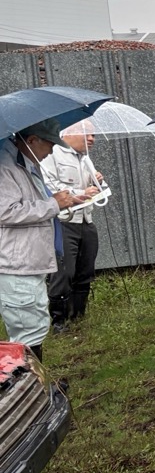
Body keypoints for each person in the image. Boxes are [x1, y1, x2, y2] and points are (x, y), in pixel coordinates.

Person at [0, 121, 87, 358]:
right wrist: (53, 204)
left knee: (34, 326)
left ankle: (37, 385)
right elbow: (6, 211)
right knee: (26, 333)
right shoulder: (5, 167)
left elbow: (36, 203)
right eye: (49, 144)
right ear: (32, 140)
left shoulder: (23, 164)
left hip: (28, 261)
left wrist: (66, 201)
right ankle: (29, 389)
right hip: (16, 264)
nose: (51, 151)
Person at [40, 120, 104, 330]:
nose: (92, 139)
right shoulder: (53, 153)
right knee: (64, 272)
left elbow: (91, 190)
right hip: (65, 222)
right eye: (88, 134)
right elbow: (49, 187)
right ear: (69, 133)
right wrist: (81, 193)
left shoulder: (85, 158)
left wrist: (97, 182)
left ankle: (78, 316)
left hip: (86, 220)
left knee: (85, 270)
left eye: (93, 135)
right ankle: (59, 321)